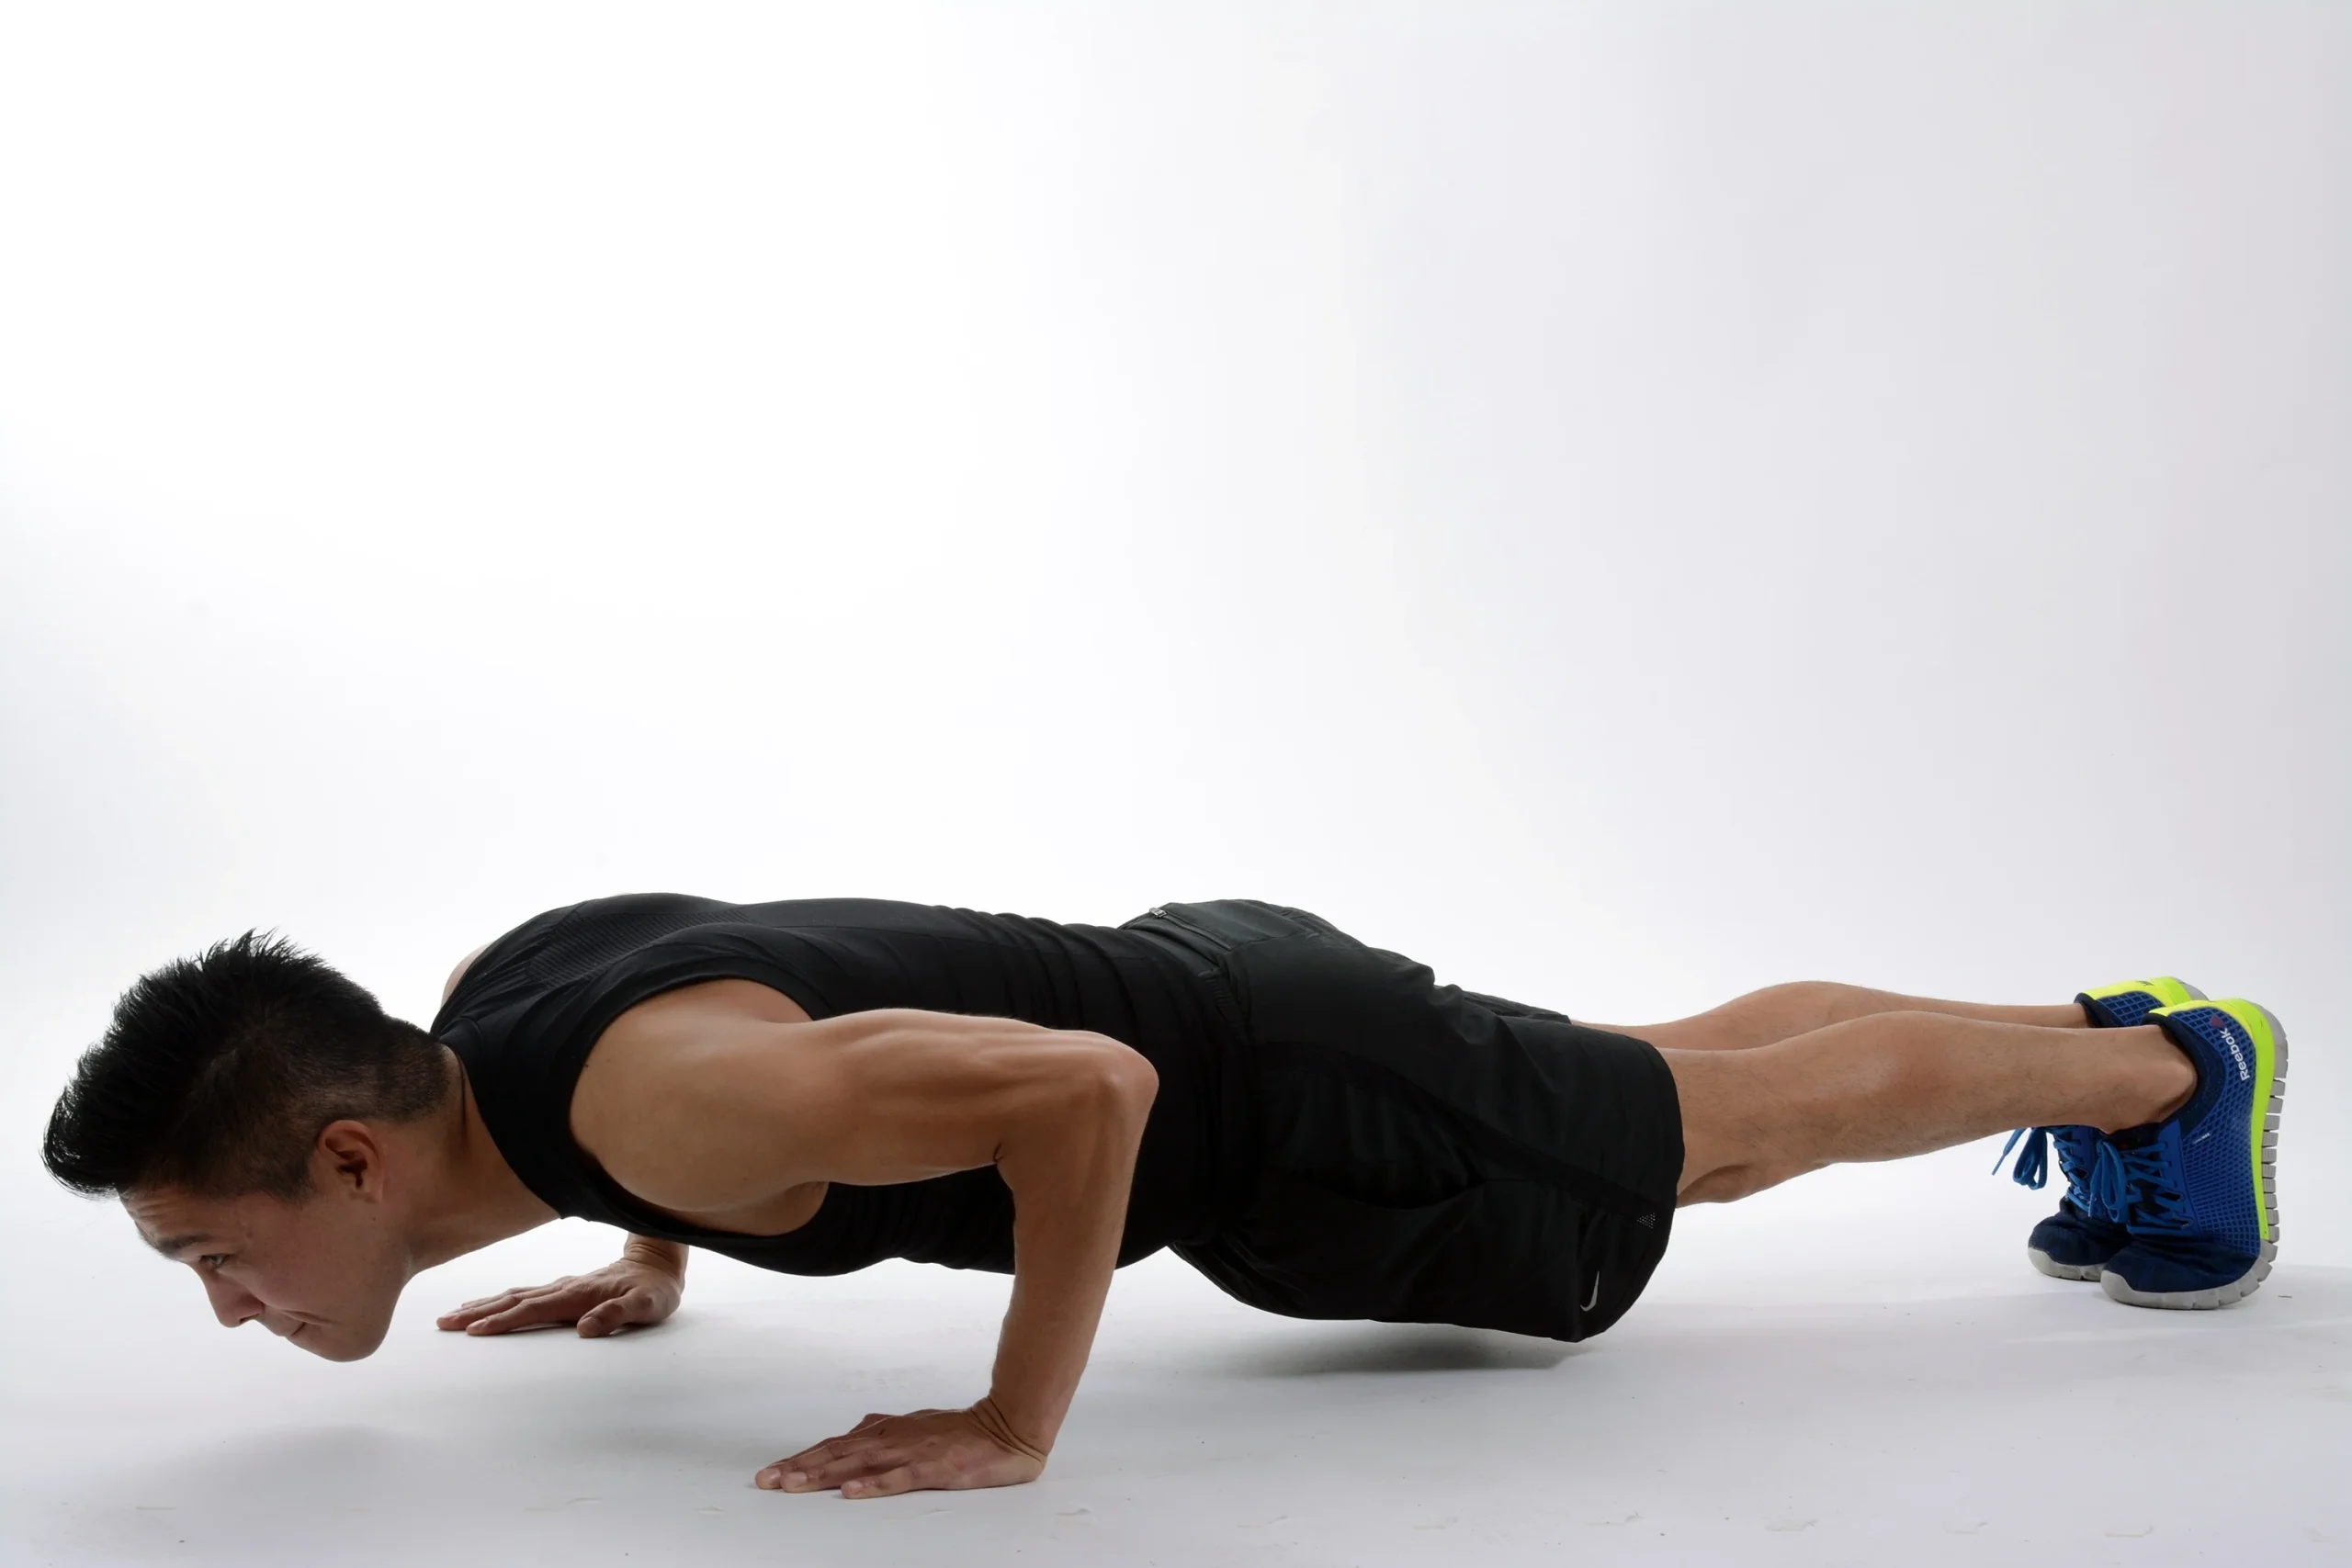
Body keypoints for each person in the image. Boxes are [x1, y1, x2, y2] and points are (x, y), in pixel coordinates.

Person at [40, 894, 2287, 1500]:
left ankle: (2173, 1068)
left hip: (1264, 1095)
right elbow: (693, 1034)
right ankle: (2115, 1036)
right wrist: (652, 1257)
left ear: (345, 1153)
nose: (231, 1306)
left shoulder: (668, 1109)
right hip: (1242, 992)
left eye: (213, 1253)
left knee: (1710, 1131)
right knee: (1670, 1072)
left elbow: (1080, 1094)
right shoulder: (504, 1026)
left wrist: (1018, 1422)